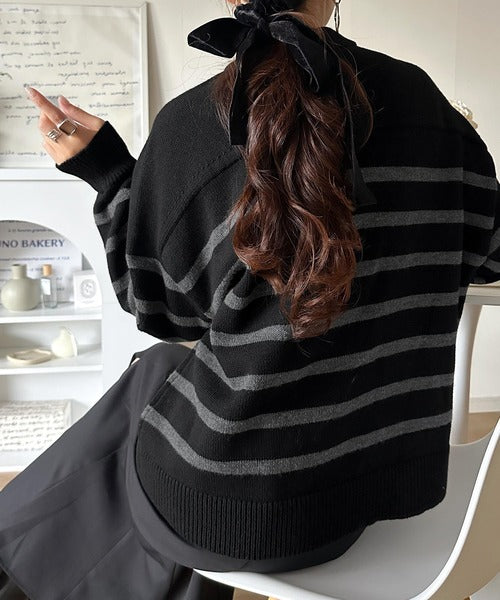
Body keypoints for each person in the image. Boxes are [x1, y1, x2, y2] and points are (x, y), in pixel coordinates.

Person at [1, 0, 499, 598]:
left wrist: (108, 174)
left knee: (153, 391)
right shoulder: (430, 109)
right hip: (380, 488)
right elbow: (489, 254)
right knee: (157, 383)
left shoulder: (192, 127)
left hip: (242, 511)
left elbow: (159, 308)